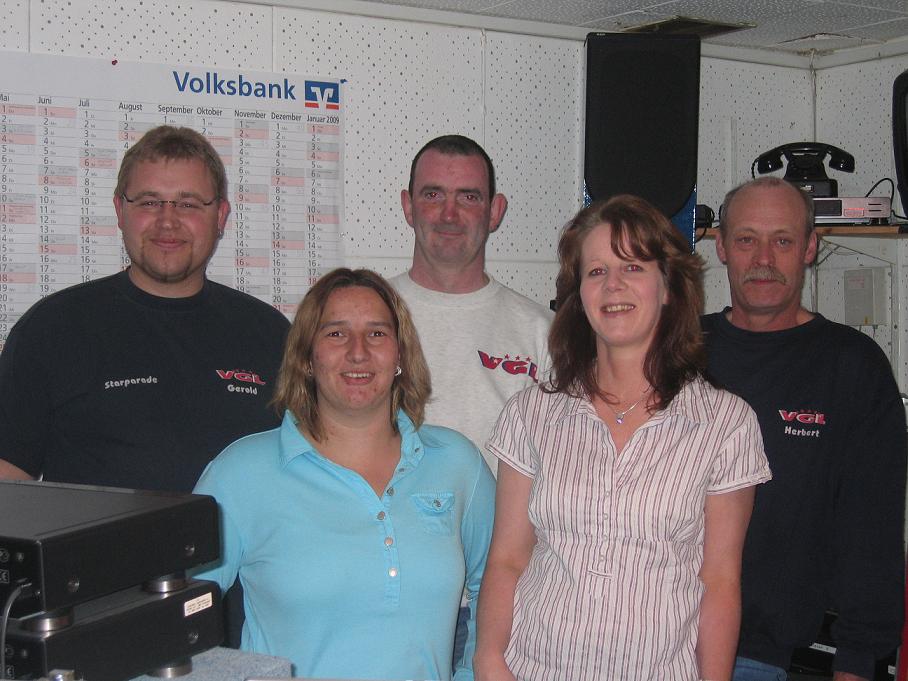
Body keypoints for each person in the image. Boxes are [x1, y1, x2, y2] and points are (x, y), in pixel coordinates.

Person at [0, 125, 289, 645]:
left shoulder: (269, 335)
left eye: (189, 203)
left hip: (241, 632)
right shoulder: (54, 329)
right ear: (119, 209)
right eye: (149, 201)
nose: (168, 221)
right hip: (90, 631)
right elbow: (7, 486)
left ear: (221, 216)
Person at [475, 195, 771, 681]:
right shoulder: (532, 414)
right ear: (578, 295)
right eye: (596, 271)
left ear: (668, 286)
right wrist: (488, 659)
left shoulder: (725, 423)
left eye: (633, 266)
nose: (613, 285)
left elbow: (720, 581)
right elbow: (507, 559)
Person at [193, 267, 495, 681]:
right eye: (336, 333)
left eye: (377, 333)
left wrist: (471, 674)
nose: (358, 352)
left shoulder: (457, 463)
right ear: (307, 357)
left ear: (400, 355)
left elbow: (501, 586)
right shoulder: (241, 473)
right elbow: (167, 614)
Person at [703, 176, 907, 681]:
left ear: (811, 248)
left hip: (765, 658)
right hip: (652, 637)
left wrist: (858, 663)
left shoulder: (853, 367)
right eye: (746, 239)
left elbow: (872, 533)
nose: (763, 259)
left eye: (783, 240)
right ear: (722, 247)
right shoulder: (678, 350)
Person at [391, 134, 552, 468]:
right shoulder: (366, 320)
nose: (449, 214)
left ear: (495, 212)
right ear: (408, 206)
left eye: (468, 197)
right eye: (433, 195)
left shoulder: (544, 334)